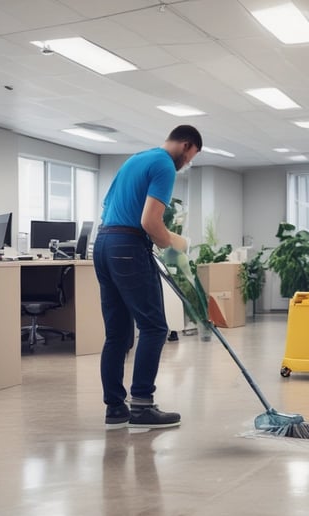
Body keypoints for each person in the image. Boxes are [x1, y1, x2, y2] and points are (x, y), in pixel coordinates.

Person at [94, 125, 202, 429]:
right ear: (186, 145)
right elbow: (149, 220)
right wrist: (171, 243)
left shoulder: (136, 159)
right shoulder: (165, 165)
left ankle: (115, 409)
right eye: (191, 156)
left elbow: (109, 208)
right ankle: (142, 405)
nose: (188, 163)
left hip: (103, 244)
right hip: (127, 246)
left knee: (117, 333)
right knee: (154, 327)